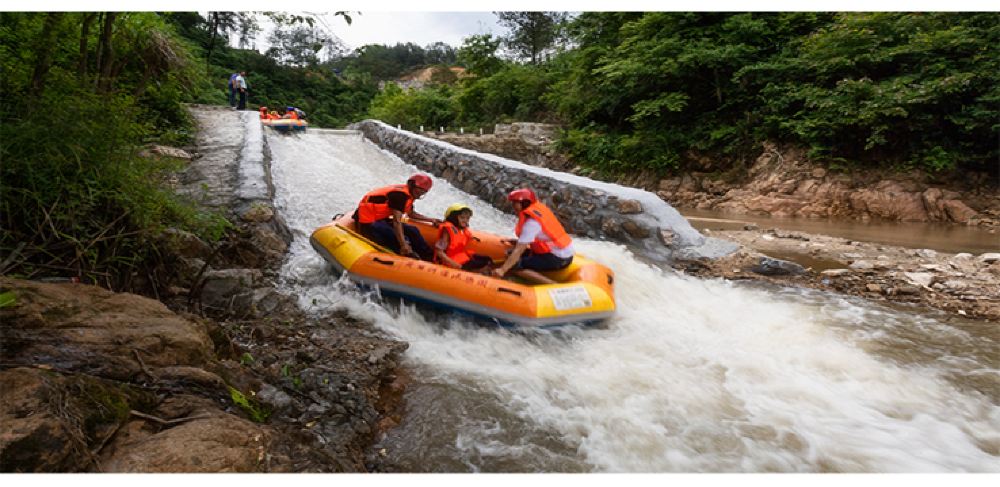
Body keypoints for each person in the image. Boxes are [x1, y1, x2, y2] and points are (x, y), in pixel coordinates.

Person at [492, 188, 574, 285]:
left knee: (514, 265)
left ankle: (553, 285)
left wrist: (502, 270)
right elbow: (541, 237)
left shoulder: (531, 223)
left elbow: (518, 250)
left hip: (559, 258)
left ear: (525, 203)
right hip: (561, 252)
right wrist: (517, 242)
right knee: (510, 254)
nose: (513, 206)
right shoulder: (538, 210)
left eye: (515, 203)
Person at [352, 174, 442, 261]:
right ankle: (409, 257)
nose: (420, 194)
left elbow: (411, 213)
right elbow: (397, 222)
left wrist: (431, 220)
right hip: (366, 222)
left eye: (424, 192)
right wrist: (403, 244)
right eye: (420, 191)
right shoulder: (400, 196)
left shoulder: (408, 195)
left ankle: (429, 256)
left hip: (380, 219)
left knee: (413, 230)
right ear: (412, 186)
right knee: (399, 238)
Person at [434, 204, 493, 272]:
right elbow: (439, 252)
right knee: (483, 264)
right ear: (454, 217)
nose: (465, 220)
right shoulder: (447, 231)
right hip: (450, 262)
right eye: (462, 218)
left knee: (487, 259)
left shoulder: (462, 230)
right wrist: (456, 265)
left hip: (460, 257)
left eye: (467, 218)